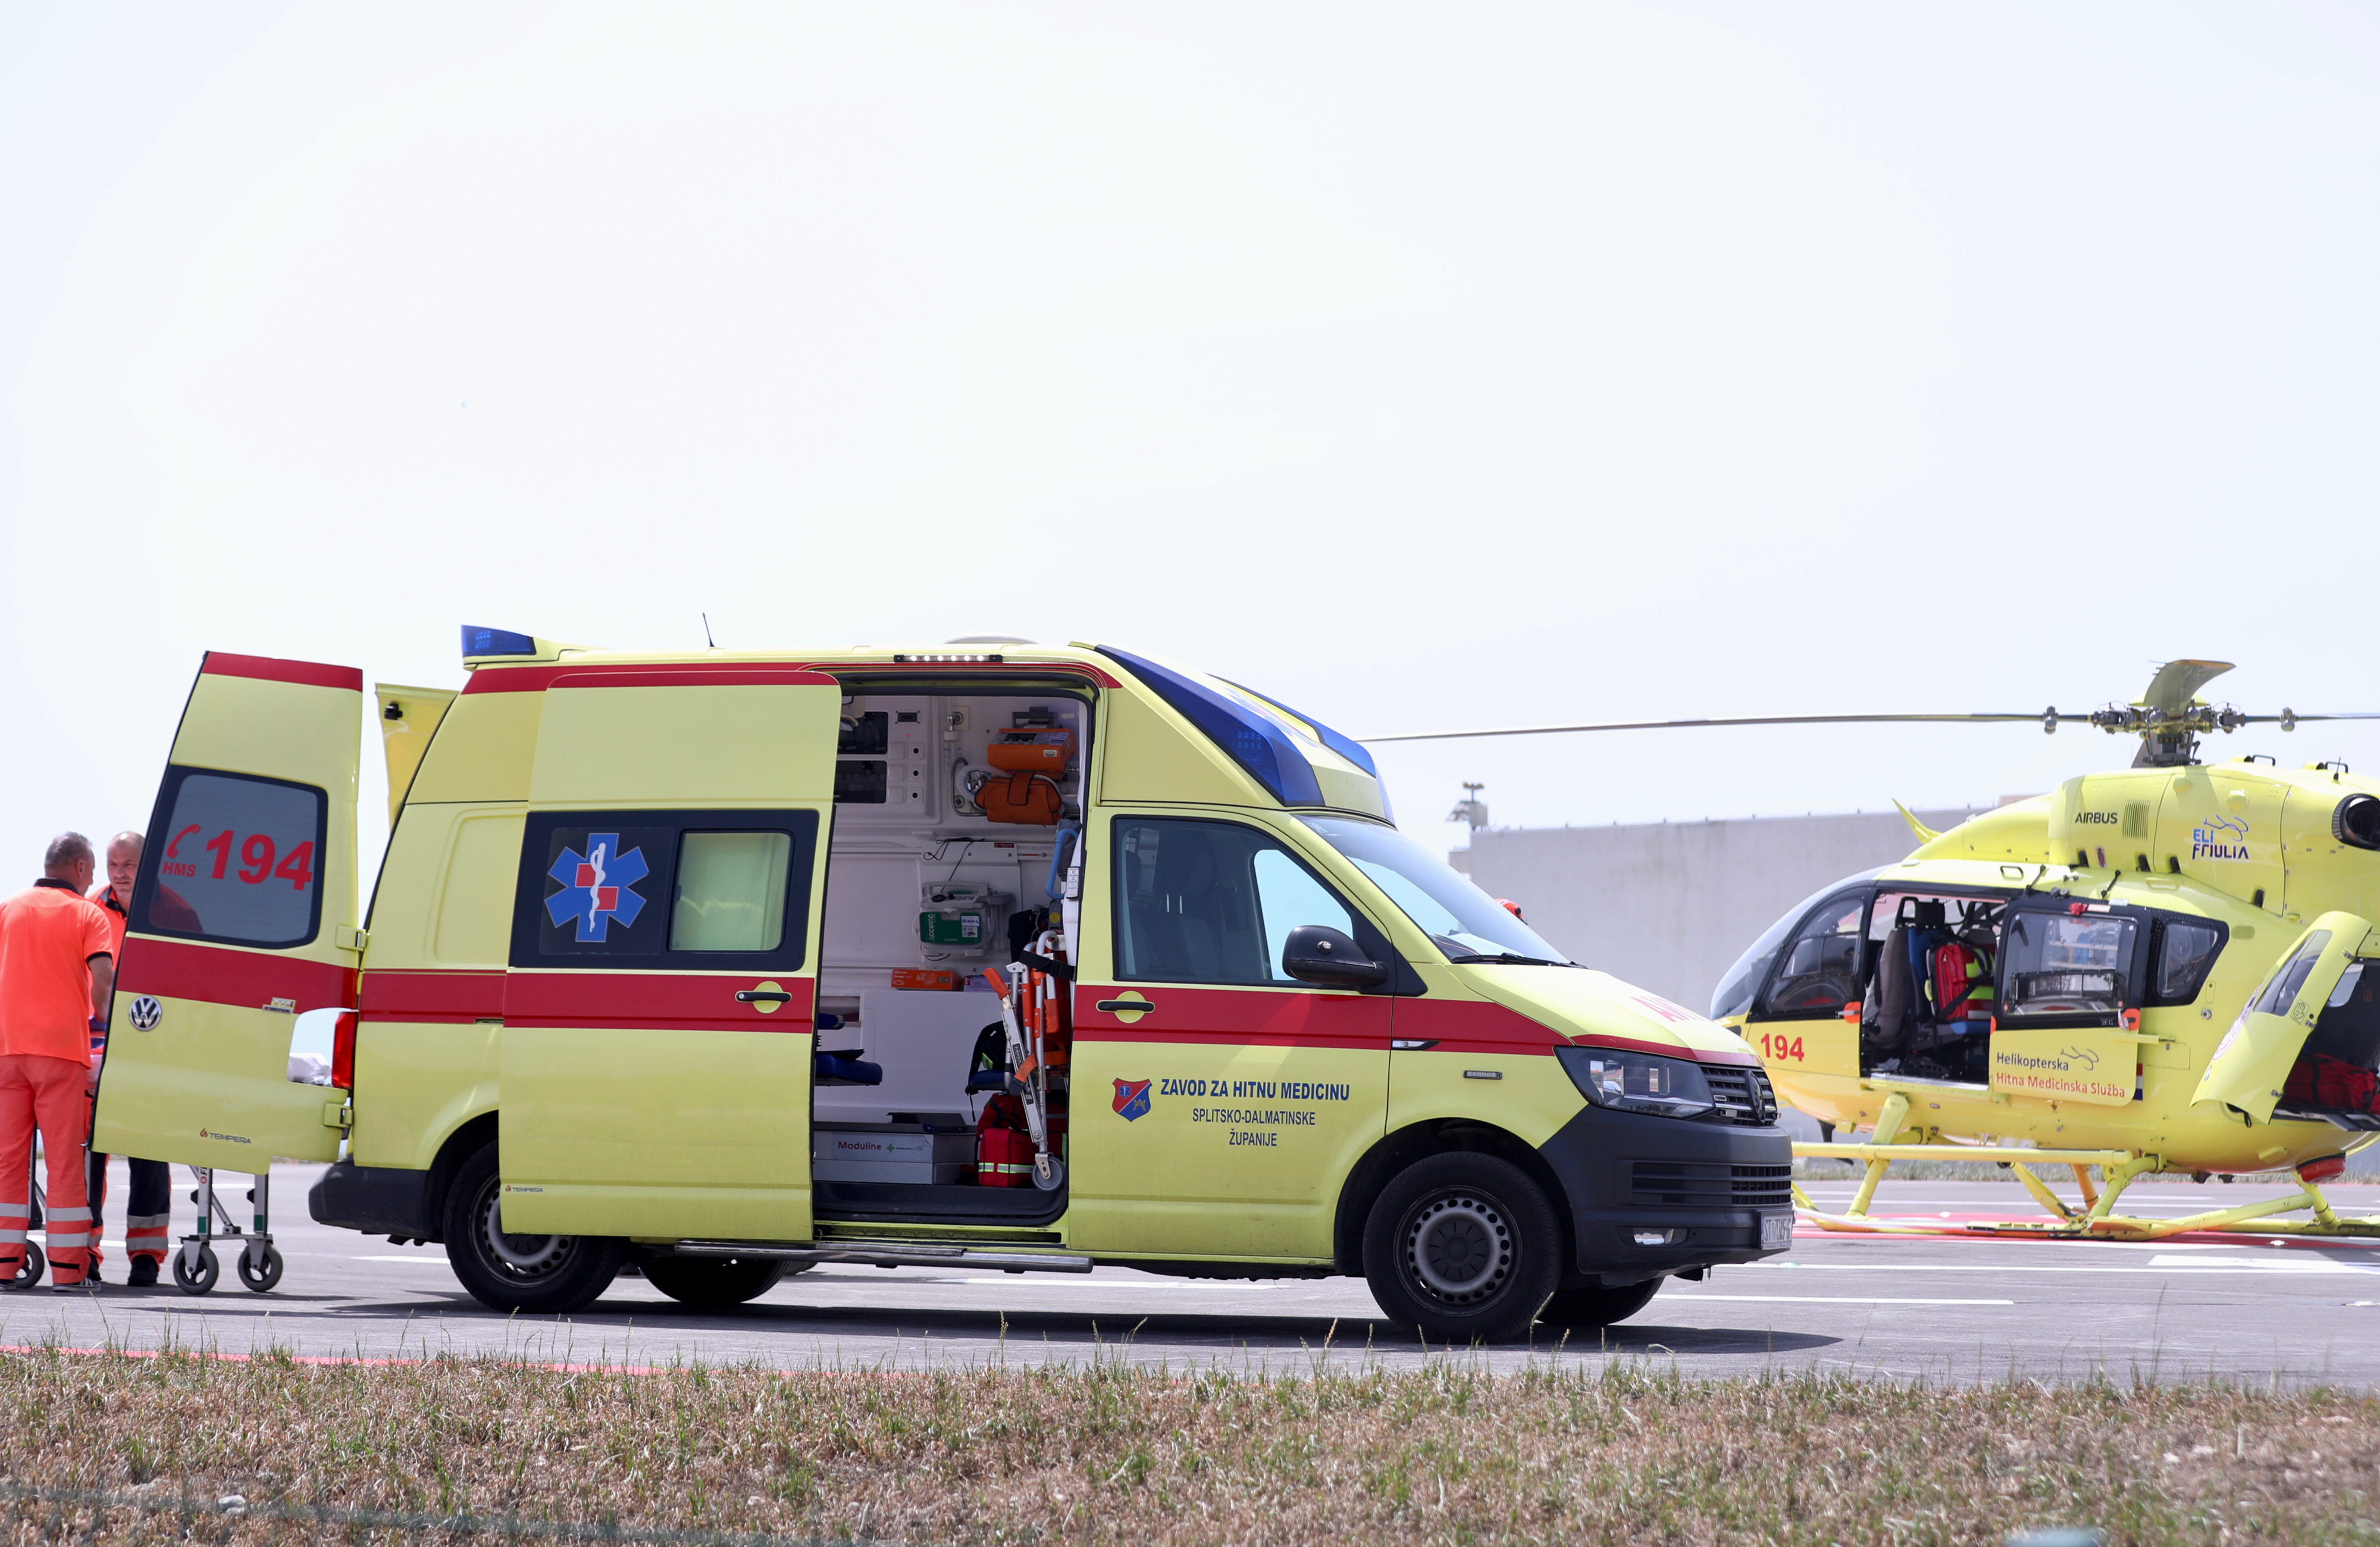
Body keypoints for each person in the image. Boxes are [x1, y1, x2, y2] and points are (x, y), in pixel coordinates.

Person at [0, 834, 111, 1289]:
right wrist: (109, 1022)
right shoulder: (88, 914)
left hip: (7, 1051)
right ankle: (68, 1269)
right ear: (82, 868)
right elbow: (103, 979)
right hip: (62, 1053)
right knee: (64, 1162)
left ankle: (5, 1265)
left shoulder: (9, 908)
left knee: (8, 1161)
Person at [87, 832, 171, 1286]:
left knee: (150, 1152)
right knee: (89, 1155)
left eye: (130, 864)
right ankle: (87, 1252)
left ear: (148, 863)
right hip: (98, 1046)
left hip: (152, 1050)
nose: (120, 872)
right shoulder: (88, 911)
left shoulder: (174, 912)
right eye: (113, 863)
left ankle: (146, 1256)